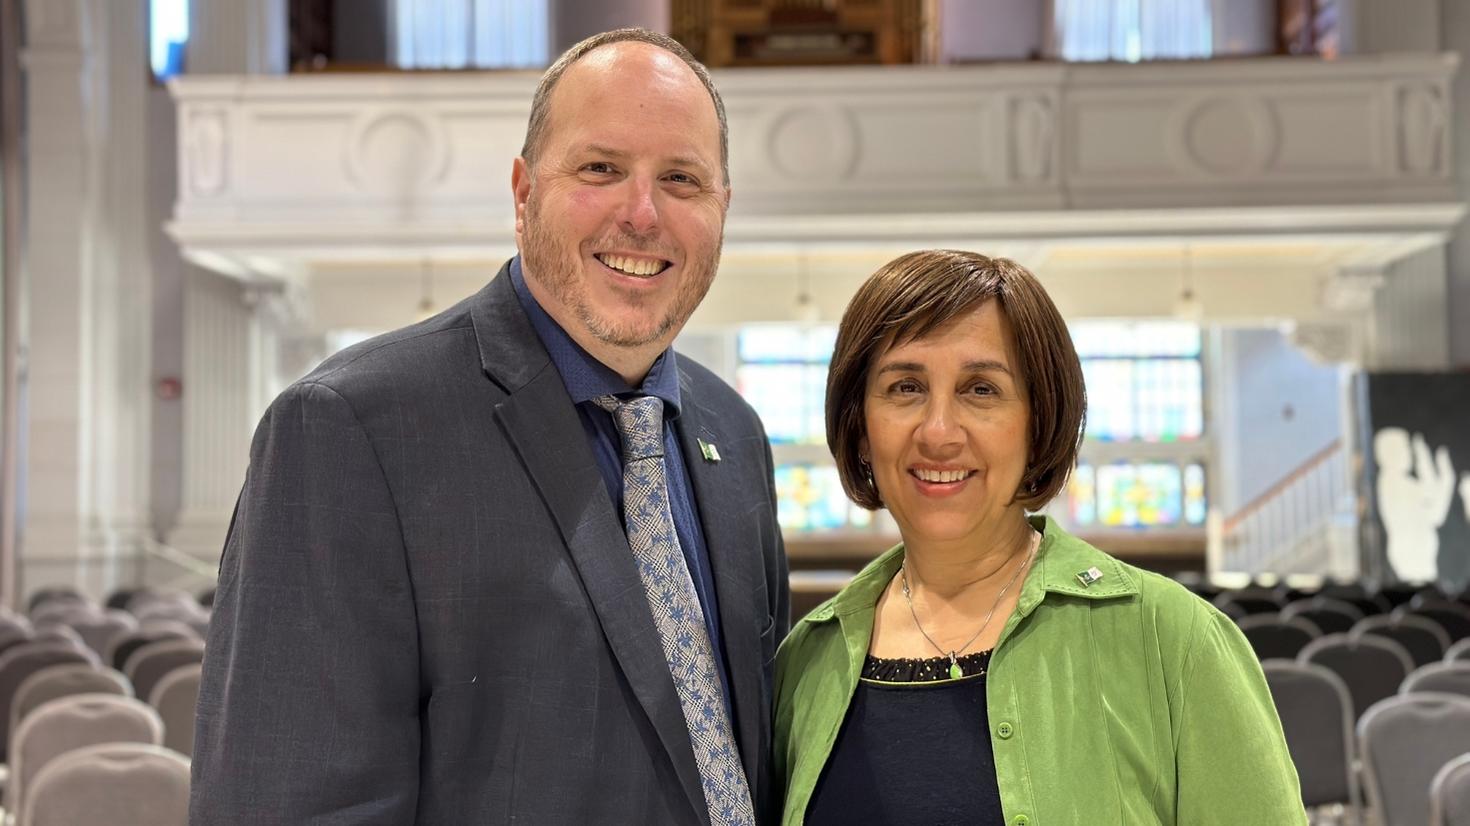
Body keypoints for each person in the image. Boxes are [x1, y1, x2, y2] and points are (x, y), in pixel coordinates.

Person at [192, 29, 790, 825]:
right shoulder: (349, 430)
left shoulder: (735, 433)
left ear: (722, 209)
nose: (642, 214)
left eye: (682, 179)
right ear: (522, 194)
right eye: (600, 169)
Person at [773, 250, 1305, 825]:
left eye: (981, 389)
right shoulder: (805, 663)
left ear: (1039, 420)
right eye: (905, 387)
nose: (939, 432)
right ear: (860, 425)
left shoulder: (1173, 640)